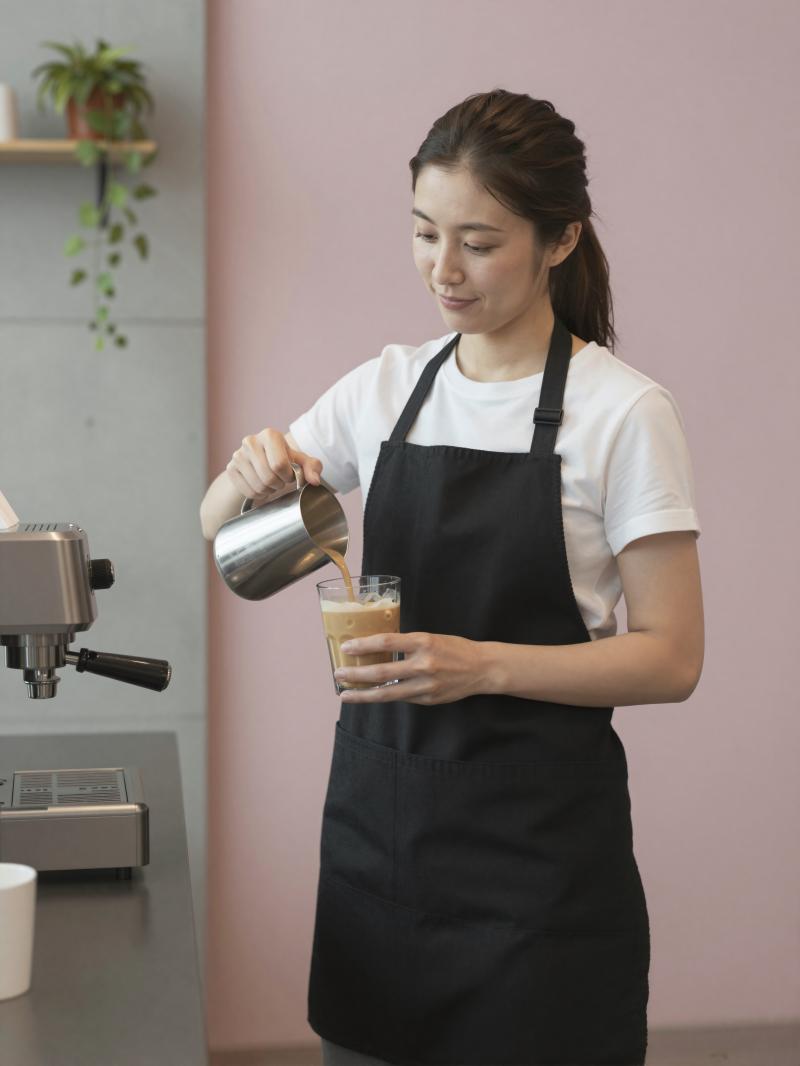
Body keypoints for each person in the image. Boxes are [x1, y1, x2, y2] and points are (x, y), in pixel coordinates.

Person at [200, 88, 704, 1066]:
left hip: (538, 879)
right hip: (378, 856)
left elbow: (671, 656)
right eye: (424, 233)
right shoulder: (386, 386)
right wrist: (245, 472)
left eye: (477, 241)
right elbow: (219, 533)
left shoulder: (621, 413)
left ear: (558, 241)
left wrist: (479, 664)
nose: (442, 269)